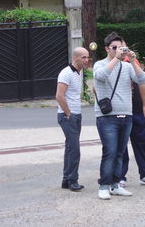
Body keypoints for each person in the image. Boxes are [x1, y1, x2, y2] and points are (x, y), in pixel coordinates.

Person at [93, 32, 145, 200]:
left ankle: (116, 185)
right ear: (107, 49)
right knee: (109, 151)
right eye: (114, 48)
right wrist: (116, 58)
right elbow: (100, 77)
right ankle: (104, 185)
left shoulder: (127, 66)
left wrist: (132, 60)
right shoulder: (99, 64)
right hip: (107, 117)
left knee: (120, 152)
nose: (118, 50)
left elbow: (142, 79)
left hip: (127, 115)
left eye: (120, 47)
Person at [119, 41, 145, 187]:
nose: (123, 50)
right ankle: (120, 176)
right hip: (121, 110)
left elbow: (141, 83)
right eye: (119, 48)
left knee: (141, 142)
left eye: (124, 47)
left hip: (136, 109)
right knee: (121, 145)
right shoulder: (112, 65)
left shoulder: (132, 63)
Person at [56, 47, 90, 192]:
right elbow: (59, 95)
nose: (86, 60)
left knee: (70, 148)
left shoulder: (78, 72)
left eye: (87, 57)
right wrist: (68, 113)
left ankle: (66, 180)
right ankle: (73, 180)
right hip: (68, 115)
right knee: (74, 149)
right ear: (75, 58)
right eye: (83, 57)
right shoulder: (66, 73)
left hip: (76, 114)